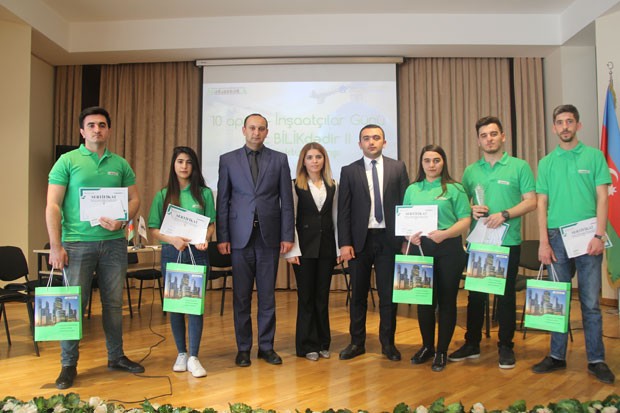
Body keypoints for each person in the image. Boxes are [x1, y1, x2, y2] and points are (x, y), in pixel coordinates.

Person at [45, 106, 144, 390]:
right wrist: (55, 246)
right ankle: (68, 365)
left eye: (101, 125)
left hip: (113, 244)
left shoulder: (120, 164)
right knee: (73, 305)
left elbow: (135, 199)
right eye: (91, 125)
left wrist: (123, 220)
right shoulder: (67, 161)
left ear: (108, 130)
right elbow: (53, 205)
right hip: (76, 244)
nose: (96, 129)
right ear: (82, 131)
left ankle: (116, 356)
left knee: (113, 304)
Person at [532, 104, 615, 384]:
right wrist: (543, 242)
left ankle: (596, 360)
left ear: (578, 125)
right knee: (557, 299)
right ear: (554, 127)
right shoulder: (546, 162)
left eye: (569, 121)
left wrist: (599, 235)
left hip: (588, 236)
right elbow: (541, 203)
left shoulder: (594, 157)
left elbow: (602, 198)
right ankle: (556, 355)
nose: (564, 126)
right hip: (556, 238)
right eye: (560, 122)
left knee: (590, 302)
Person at [449, 116, 536, 369]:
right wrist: (472, 209)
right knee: (475, 296)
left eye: (493, 134)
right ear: (478, 141)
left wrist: (505, 214)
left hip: (507, 241)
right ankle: (472, 343)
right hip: (479, 242)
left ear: (503, 137)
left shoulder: (519, 166)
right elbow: (461, 204)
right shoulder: (471, 171)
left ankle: (506, 346)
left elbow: (531, 201)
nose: (489, 139)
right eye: (484, 135)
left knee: (505, 296)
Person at [216, 113, 295, 367]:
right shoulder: (228, 160)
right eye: (252, 128)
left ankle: (266, 347)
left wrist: (287, 235)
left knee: (267, 296)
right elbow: (223, 201)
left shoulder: (279, 159)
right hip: (239, 238)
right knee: (241, 297)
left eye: (261, 129)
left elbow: (286, 201)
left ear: (267, 132)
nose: (256, 133)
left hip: (268, 238)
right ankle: (243, 348)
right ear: (243, 130)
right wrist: (222, 236)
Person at [337, 124, 409, 362]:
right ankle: (356, 343)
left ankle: (388, 343)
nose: (371, 142)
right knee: (358, 295)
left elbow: (405, 205)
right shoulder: (349, 171)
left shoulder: (398, 168)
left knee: (388, 295)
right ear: (360, 144)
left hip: (389, 240)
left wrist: (405, 239)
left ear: (384, 142)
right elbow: (344, 210)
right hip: (360, 241)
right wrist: (344, 243)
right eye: (366, 138)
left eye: (376, 138)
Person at [148, 146, 216, 378]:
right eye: (180, 161)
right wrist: (172, 240)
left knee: (194, 307)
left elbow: (211, 224)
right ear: (173, 165)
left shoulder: (204, 193)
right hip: (172, 252)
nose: (184, 166)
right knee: (176, 306)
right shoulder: (163, 194)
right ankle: (182, 353)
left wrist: (206, 238)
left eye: (188, 162)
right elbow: (154, 228)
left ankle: (194, 356)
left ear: (194, 166)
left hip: (197, 254)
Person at [404, 144, 471, 372]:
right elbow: (405, 220)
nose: (431, 165)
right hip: (421, 248)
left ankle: (442, 351)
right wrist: (409, 236)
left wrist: (445, 234)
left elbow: (465, 220)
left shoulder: (455, 188)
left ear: (443, 162)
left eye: (436, 160)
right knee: (424, 301)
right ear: (421, 163)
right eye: (427, 161)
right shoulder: (412, 189)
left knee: (446, 301)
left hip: (448, 248)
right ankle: (427, 347)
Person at [284, 143, 338, 361]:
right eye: (310, 157)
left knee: (322, 298)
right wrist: (292, 250)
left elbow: (335, 218)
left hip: (326, 249)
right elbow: (291, 218)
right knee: (306, 298)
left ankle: (323, 342)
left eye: (318, 157)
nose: (314, 161)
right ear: (303, 161)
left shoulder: (333, 185)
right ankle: (307, 345)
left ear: (324, 160)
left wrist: (338, 247)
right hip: (303, 249)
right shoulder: (295, 185)